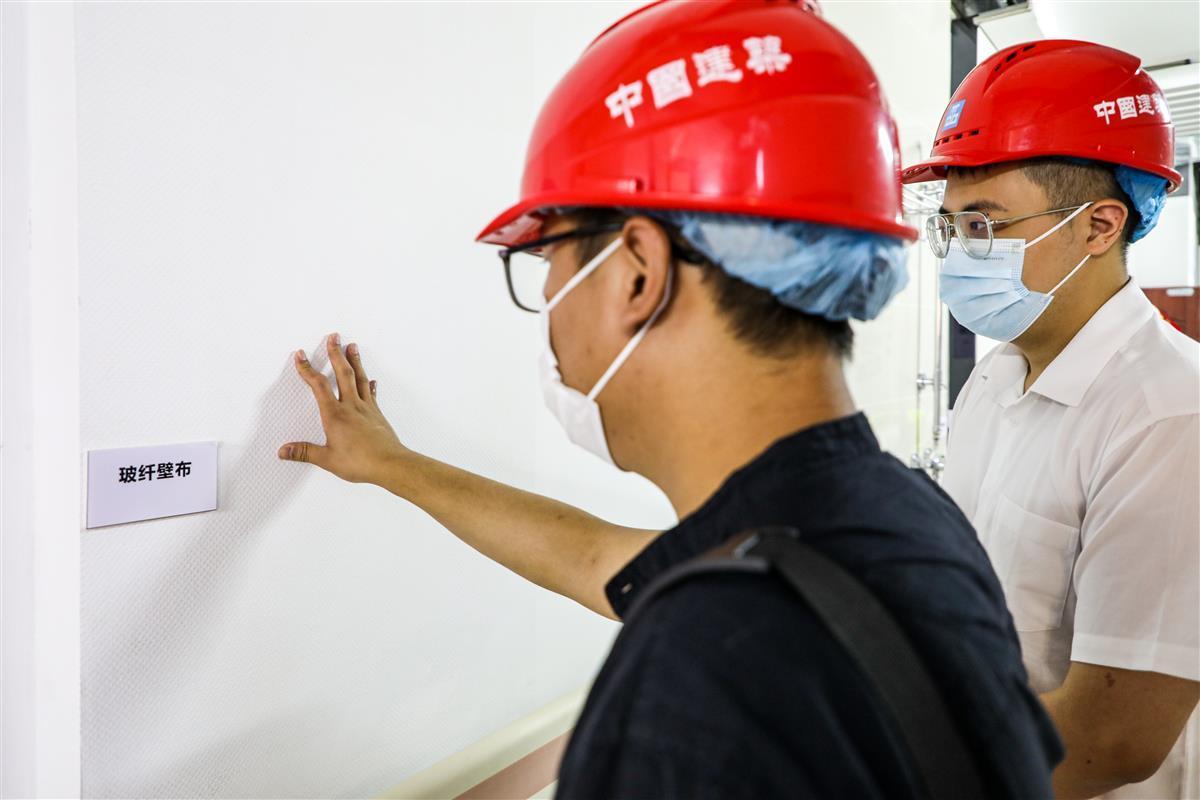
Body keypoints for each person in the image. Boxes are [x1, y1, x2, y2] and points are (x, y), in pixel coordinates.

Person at [278, 1, 1060, 795]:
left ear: (637, 273)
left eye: (548, 256)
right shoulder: (890, 518)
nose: (546, 298)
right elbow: (596, 559)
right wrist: (393, 465)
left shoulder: (701, 670)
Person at [902, 38, 1200, 800]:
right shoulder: (996, 376)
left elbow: (1114, 737)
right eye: (950, 227)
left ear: (1099, 227)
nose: (956, 255)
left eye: (985, 225)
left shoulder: (1170, 416)